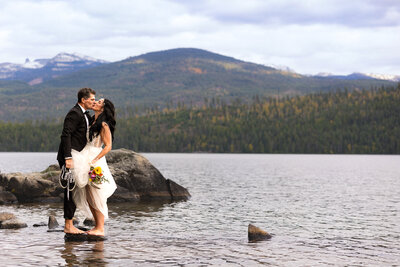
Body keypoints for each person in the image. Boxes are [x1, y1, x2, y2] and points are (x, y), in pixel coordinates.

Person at [72, 98, 117, 236]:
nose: (95, 102)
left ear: (102, 109)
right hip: (84, 155)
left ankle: (100, 228)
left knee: (97, 194)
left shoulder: (103, 124)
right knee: (88, 195)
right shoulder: (91, 120)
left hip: (95, 158)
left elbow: (108, 146)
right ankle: (97, 226)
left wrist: (96, 159)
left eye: (98, 102)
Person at [57, 87, 96, 234]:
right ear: (83, 100)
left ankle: (70, 222)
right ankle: (68, 226)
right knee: (69, 189)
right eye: (92, 99)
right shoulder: (74, 113)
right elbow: (65, 135)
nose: (93, 102)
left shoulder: (85, 114)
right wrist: (68, 158)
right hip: (70, 156)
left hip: (77, 156)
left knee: (73, 190)